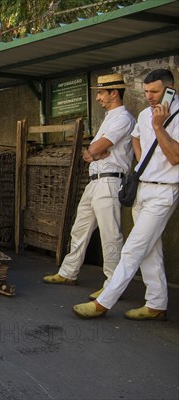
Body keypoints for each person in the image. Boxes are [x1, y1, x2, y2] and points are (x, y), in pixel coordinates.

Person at [73, 69, 178, 321]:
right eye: (146, 92)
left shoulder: (172, 116)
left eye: (155, 91)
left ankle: (104, 302)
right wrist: (143, 163)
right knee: (151, 249)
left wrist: (158, 127)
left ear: (170, 89)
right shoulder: (143, 115)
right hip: (143, 186)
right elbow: (135, 138)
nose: (150, 97)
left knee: (133, 248)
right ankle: (156, 303)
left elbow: (175, 157)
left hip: (166, 190)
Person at [43, 73, 136, 300]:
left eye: (101, 92)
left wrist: (95, 152)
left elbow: (96, 148)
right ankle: (68, 271)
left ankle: (113, 285)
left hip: (110, 179)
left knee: (110, 235)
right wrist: (95, 152)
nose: (98, 97)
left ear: (114, 93)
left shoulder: (123, 117)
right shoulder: (109, 117)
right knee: (80, 229)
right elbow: (94, 150)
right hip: (96, 180)